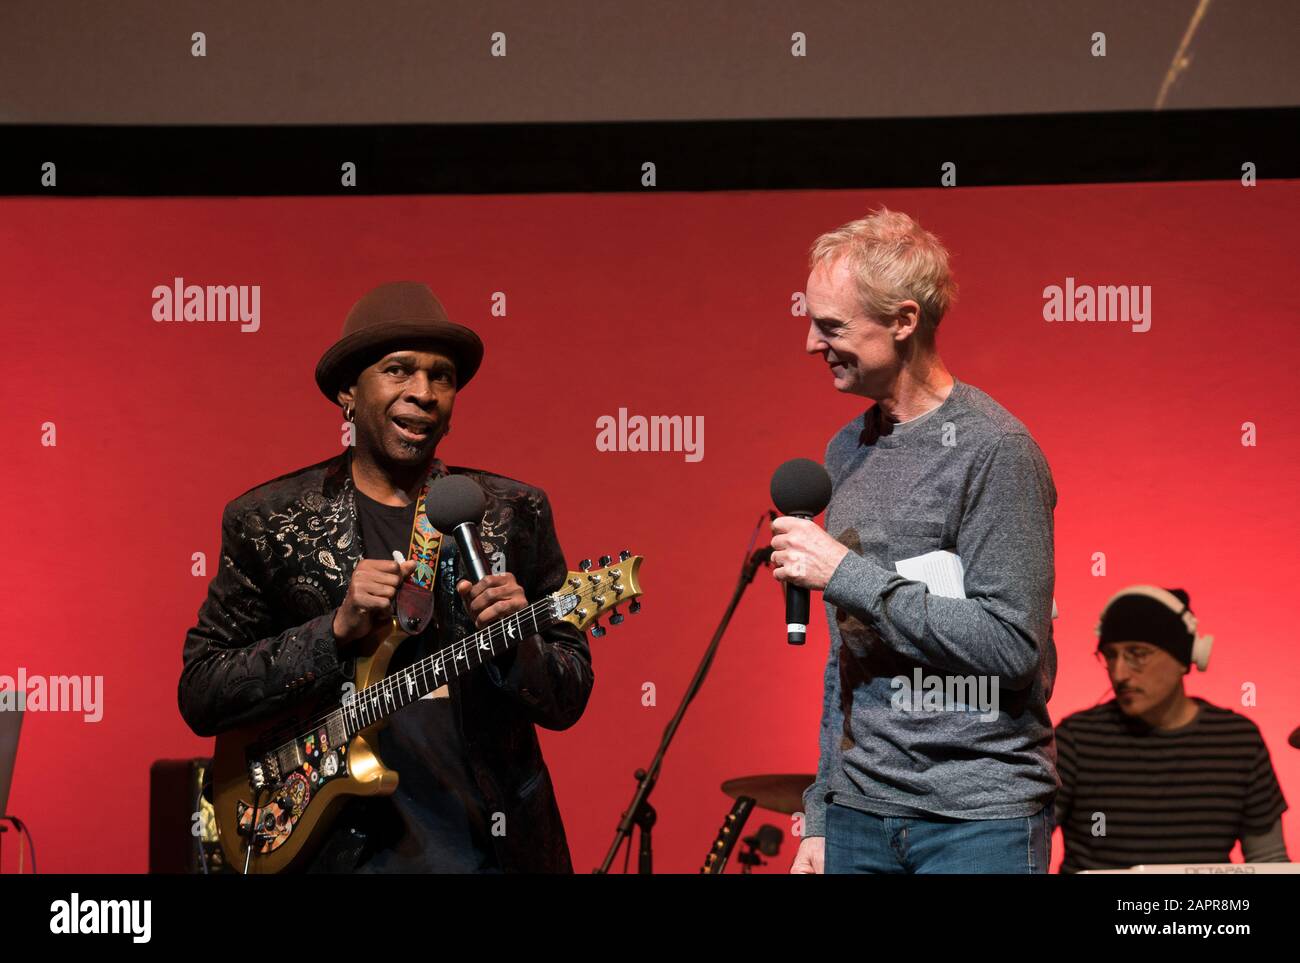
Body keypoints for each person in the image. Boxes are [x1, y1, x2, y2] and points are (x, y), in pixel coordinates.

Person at [179, 281, 593, 872]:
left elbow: (568, 695)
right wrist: (333, 632)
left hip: (494, 850)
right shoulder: (269, 520)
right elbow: (202, 693)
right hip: (335, 852)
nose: (423, 393)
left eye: (441, 377)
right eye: (399, 370)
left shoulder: (512, 513)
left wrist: (516, 645)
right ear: (349, 391)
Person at [772, 207, 1058, 873]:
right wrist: (822, 808)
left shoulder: (995, 450)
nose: (811, 343)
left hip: (974, 823)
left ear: (902, 321)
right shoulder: (847, 450)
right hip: (859, 815)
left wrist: (849, 575)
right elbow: (848, 657)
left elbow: (1012, 645)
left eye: (831, 325)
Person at [1056, 585, 1288, 871]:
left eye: (1137, 654)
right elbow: (1027, 843)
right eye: (1111, 656)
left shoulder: (1238, 741)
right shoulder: (1077, 740)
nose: (1119, 673)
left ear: (1185, 657)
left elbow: (1269, 861)